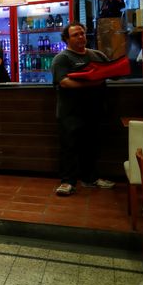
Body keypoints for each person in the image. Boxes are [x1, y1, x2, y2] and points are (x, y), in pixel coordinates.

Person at [51, 22, 115, 196]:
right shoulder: (62, 58)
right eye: (75, 35)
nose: (81, 37)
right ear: (66, 39)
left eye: (82, 33)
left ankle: (90, 179)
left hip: (94, 110)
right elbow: (64, 82)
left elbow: (112, 72)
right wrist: (94, 82)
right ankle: (67, 182)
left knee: (91, 146)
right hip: (70, 112)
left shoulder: (97, 55)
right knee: (69, 147)